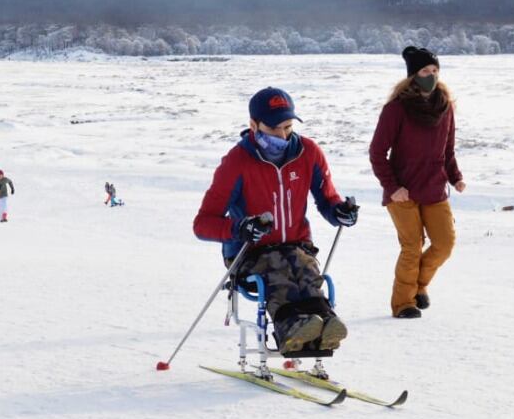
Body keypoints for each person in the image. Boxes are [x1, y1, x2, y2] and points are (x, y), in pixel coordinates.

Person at [193, 88, 359, 352]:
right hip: (249, 251)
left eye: (288, 126)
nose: (283, 135)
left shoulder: (309, 152)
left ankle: (325, 326)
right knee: (277, 271)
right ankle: (291, 329)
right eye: (275, 129)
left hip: (297, 246)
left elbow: (328, 199)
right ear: (253, 125)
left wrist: (340, 211)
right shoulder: (236, 162)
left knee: (307, 274)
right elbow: (202, 224)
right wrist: (240, 228)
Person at [370, 46, 466, 319]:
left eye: (435, 71)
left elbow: (448, 151)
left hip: (435, 188)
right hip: (403, 192)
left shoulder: (445, 108)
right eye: (425, 71)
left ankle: (418, 287)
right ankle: (403, 304)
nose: (431, 76)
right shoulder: (396, 110)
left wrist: (456, 177)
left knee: (444, 244)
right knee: (412, 247)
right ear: (413, 75)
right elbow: (377, 153)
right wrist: (392, 186)